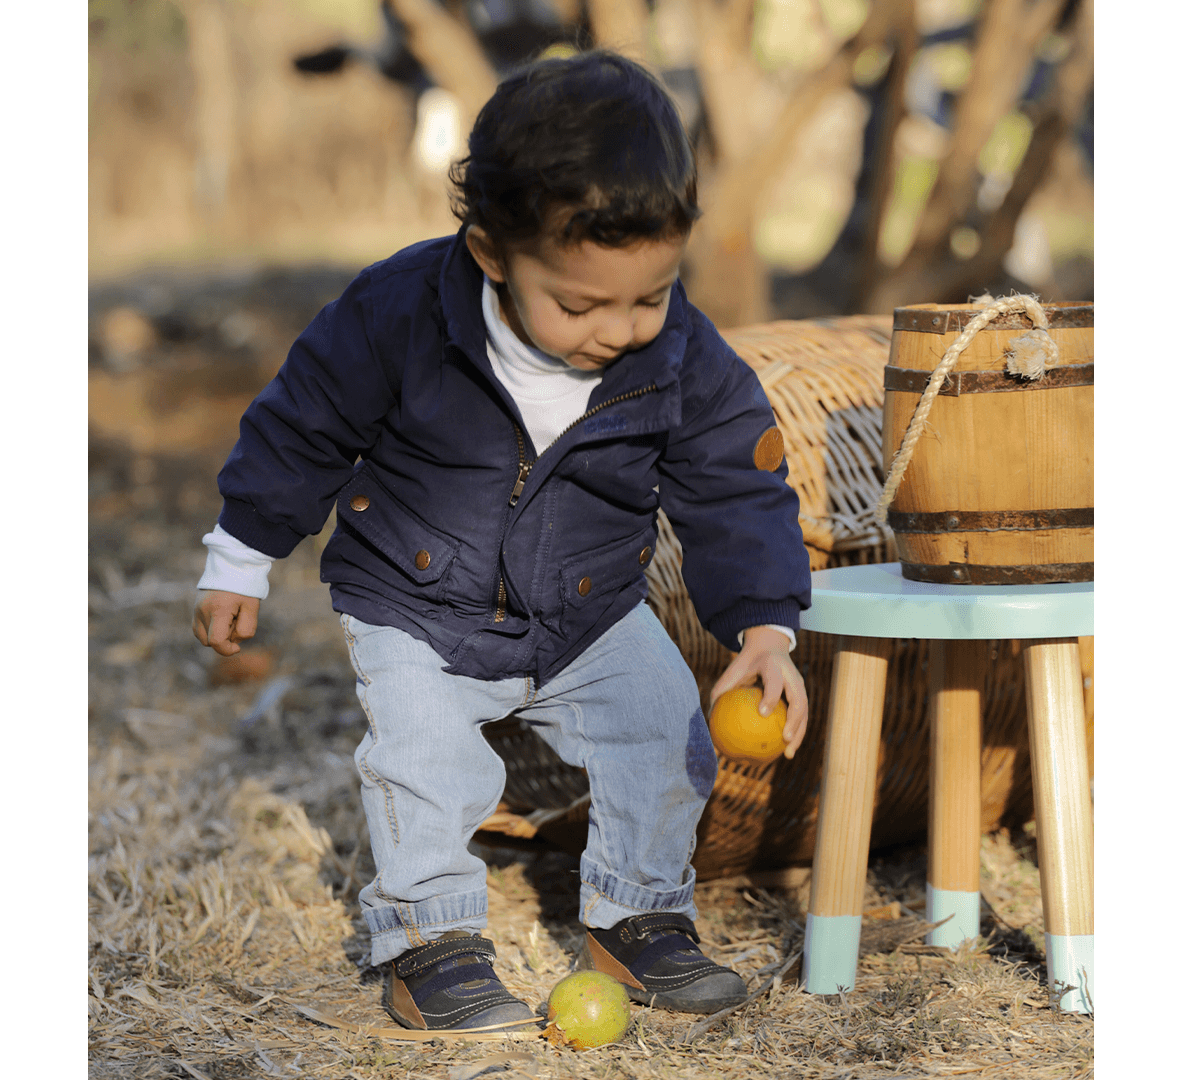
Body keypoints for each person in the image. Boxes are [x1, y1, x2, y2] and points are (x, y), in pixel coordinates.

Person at [192, 49, 810, 1033]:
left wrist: (765, 628)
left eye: (648, 296)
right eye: (580, 303)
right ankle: (428, 940)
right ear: (491, 254)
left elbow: (734, 481)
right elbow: (300, 425)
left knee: (666, 732)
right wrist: (240, 555)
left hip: (587, 610)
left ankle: (639, 916)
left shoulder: (682, 353)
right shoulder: (399, 315)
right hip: (415, 604)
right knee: (424, 764)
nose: (621, 328)